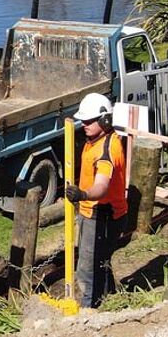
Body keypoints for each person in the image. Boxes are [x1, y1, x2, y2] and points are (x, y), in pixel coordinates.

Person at [64, 93, 128, 308]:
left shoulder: (107, 149)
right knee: (100, 262)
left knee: (87, 268)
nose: (85, 124)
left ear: (105, 120)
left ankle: (87, 312)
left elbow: (101, 186)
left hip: (102, 214)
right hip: (92, 212)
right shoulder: (96, 140)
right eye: (83, 120)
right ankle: (108, 300)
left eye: (90, 121)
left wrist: (82, 195)